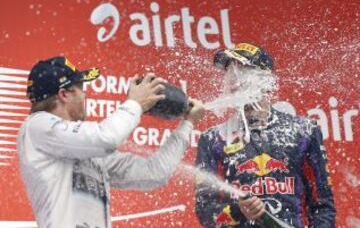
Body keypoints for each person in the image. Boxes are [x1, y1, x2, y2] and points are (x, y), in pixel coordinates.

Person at [17, 56, 205, 228]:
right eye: (81, 89)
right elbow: (106, 138)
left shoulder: (89, 152)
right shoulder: (37, 126)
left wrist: (187, 124)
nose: (85, 96)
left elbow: (154, 173)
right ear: (64, 94)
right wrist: (135, 103)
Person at [195, 43, 336, 228]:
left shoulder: (304, 131)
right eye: (230, 74)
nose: (234, 81)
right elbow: (205, 211)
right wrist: (238, 211)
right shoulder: (213, 139)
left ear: (265, 80)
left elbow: (322, 205)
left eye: (242, 72)